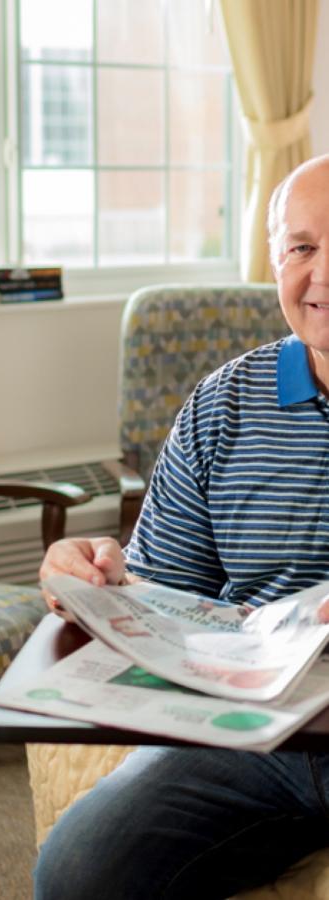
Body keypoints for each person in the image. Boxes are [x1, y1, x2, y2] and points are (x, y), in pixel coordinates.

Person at [33, 153, 329, 900]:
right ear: (275, 261)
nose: (322, 274)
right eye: (303, 247)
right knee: (78, 873)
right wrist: (94, 579)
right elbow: (162, 594)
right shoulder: (223, 404)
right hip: (251, 736)